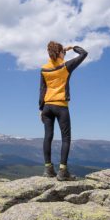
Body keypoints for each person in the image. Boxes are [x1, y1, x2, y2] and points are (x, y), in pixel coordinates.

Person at [39, 41, 88, 181]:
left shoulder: (44, 69)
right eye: (63, 52)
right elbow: (84, 53)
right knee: (65, 138)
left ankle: (48, 169)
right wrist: (73, 48)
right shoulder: (65, 67)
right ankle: (62, 172)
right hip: (60, 106)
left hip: (47, 107)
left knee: (47, 137)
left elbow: (42, 89)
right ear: (60, 52)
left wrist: (40, 108)